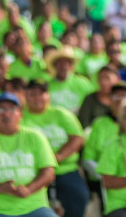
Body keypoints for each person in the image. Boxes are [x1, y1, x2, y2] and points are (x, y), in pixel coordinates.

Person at [0, 92, 58, 217]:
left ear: (20, 114)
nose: (6, 114)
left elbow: (49, 173)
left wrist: (29, 189)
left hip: (35, 208)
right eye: (1, 109)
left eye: (12, 109)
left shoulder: (35, 137)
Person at [23, 79, 88, 217]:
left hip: (65, 168)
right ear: (25, 96)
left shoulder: (61, 114)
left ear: (48, 95)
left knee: (80, 197)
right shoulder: (20, 118)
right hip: (33, 171)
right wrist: (44, 162)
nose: (37, 98)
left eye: (41, 93)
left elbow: (77, 138)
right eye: (32, 94)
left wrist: (57, 157)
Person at [46, 47, 96, 114]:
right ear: (55, 66)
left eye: (67, 64)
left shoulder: (83, 83)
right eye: (60, 64)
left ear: (71, 66)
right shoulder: (47, 85)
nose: (63, 67)